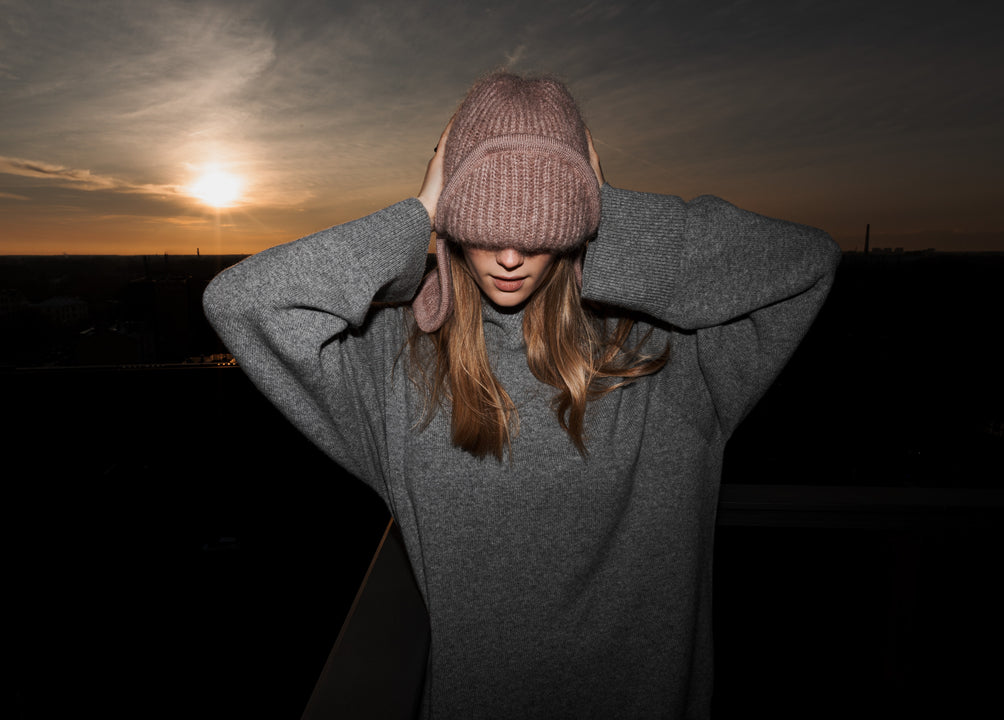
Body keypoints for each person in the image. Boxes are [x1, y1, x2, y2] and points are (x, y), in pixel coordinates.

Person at [203, 72, 840, 719]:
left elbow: (809, 261)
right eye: (482, 222)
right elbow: (244, 302)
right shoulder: (403, 372)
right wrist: (420, 211)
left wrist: (607, 213)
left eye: (540, 222)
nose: (509, 253)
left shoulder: (665, 358)